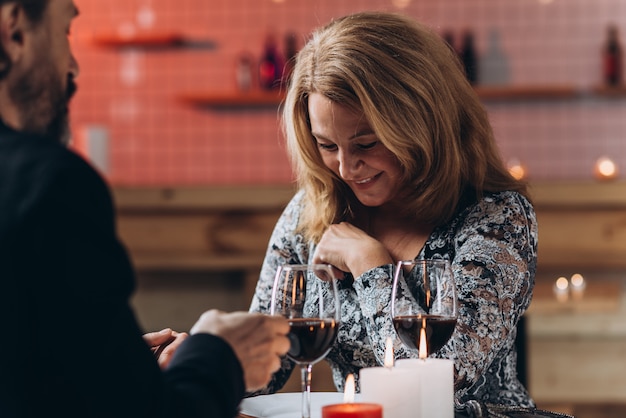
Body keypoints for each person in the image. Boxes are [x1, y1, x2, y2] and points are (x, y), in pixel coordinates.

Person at [0, 1, 289, 417]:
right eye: (65, 32)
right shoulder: (47, 185)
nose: (74, 67)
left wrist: (114, 363)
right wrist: (218, 353)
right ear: (15, 30)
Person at [249, 11, 537, 409]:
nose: (347, 169)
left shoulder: (497, 218)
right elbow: (264, 365)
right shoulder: (312, 211)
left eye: (366, 144)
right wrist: (197, 360)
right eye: (327, 146)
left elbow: (438, 381)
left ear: (422, 122)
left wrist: (371, 265)